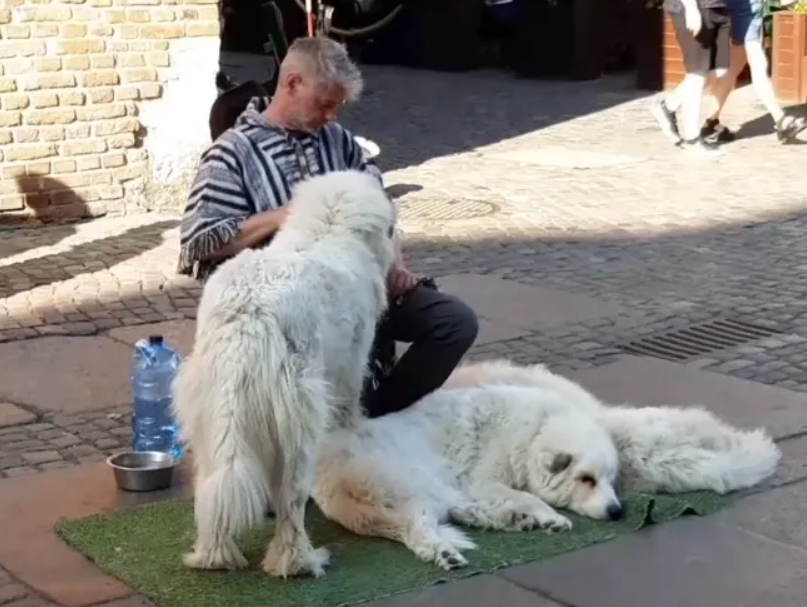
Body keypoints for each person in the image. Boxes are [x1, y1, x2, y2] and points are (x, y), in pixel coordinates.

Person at [178, 35, 479, 419]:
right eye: (325, 104)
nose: (332, 116)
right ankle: (328, 426)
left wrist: (395, 263)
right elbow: (198, 239)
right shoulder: (232, 152)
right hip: (284, 304)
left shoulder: (338, 141)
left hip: (359, 290)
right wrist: (283, 216)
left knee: (453, 322)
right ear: (292, 84)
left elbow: (380, 208)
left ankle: (376, 417)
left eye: (338, 107)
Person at [696, 0, 807, 143]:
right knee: (758, 62)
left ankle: (711, 122)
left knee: (735, 65)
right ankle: (780, 119)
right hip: (744, 10)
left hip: (746, 10)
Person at [650, 0, 731, 152]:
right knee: (697, 75)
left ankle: (668, 106)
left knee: (719, 71)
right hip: (694, 8)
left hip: (720, 8)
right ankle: (691, 139)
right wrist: (691, 9)